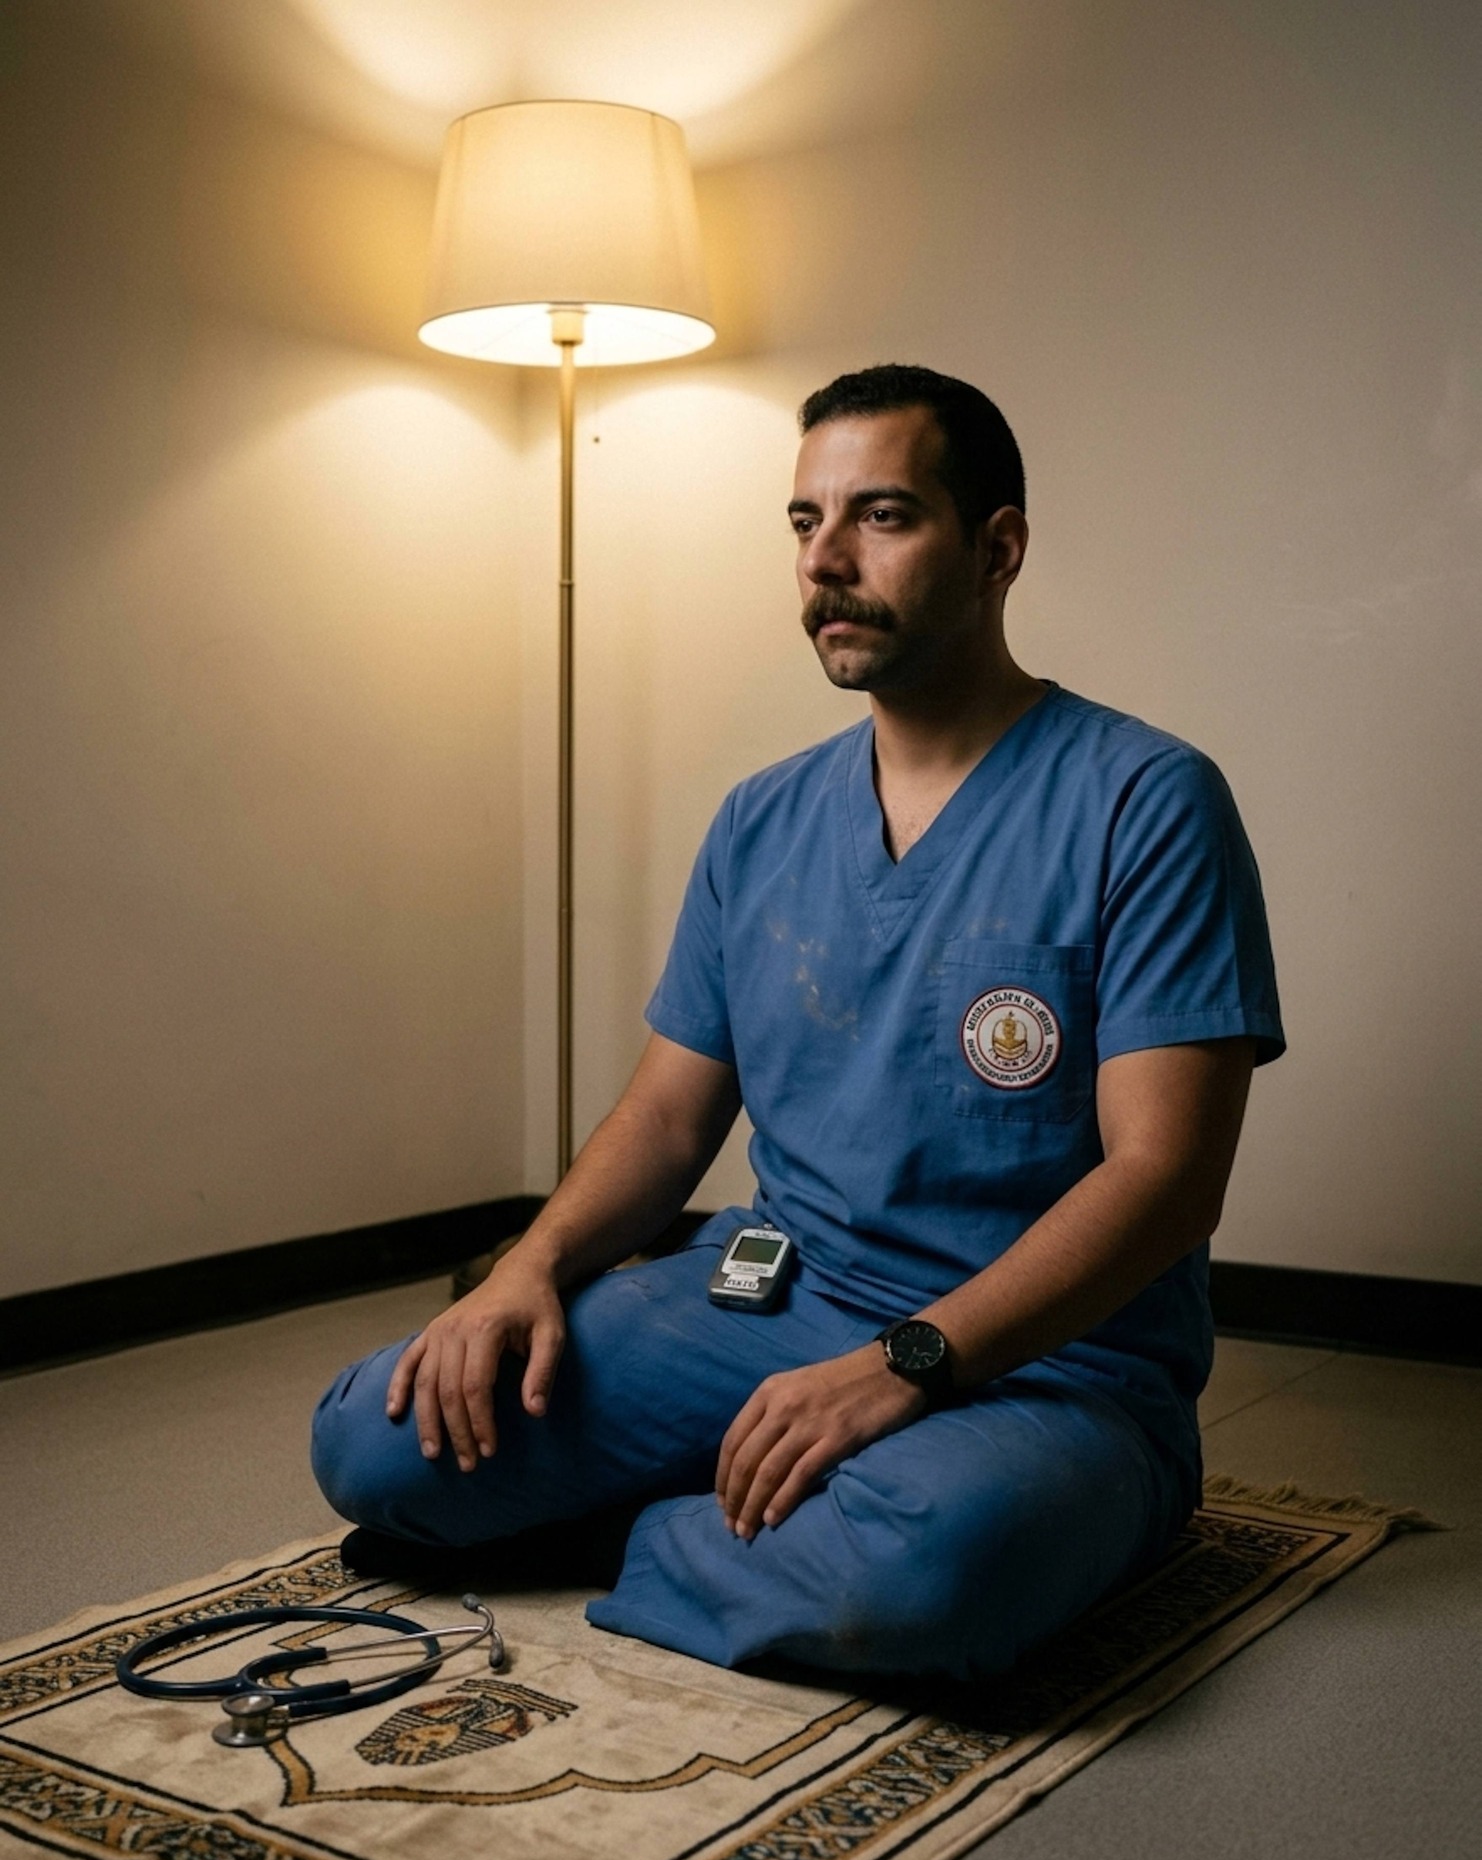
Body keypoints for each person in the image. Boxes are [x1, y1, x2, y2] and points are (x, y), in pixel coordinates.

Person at [311, 364, 1283, 1683]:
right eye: (801, 522)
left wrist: (906, 1365)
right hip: (776, 1298)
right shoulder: (761, 819)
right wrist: (533, 1266)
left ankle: (640, 1527)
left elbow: (1165, 1181)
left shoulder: (1143, 799)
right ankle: (743, 1526)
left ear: (996, 548)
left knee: (932, 1569)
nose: (824, 561)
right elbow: (666, 1118)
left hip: (1049, 1367)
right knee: (373, 1439)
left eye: (880, 516)